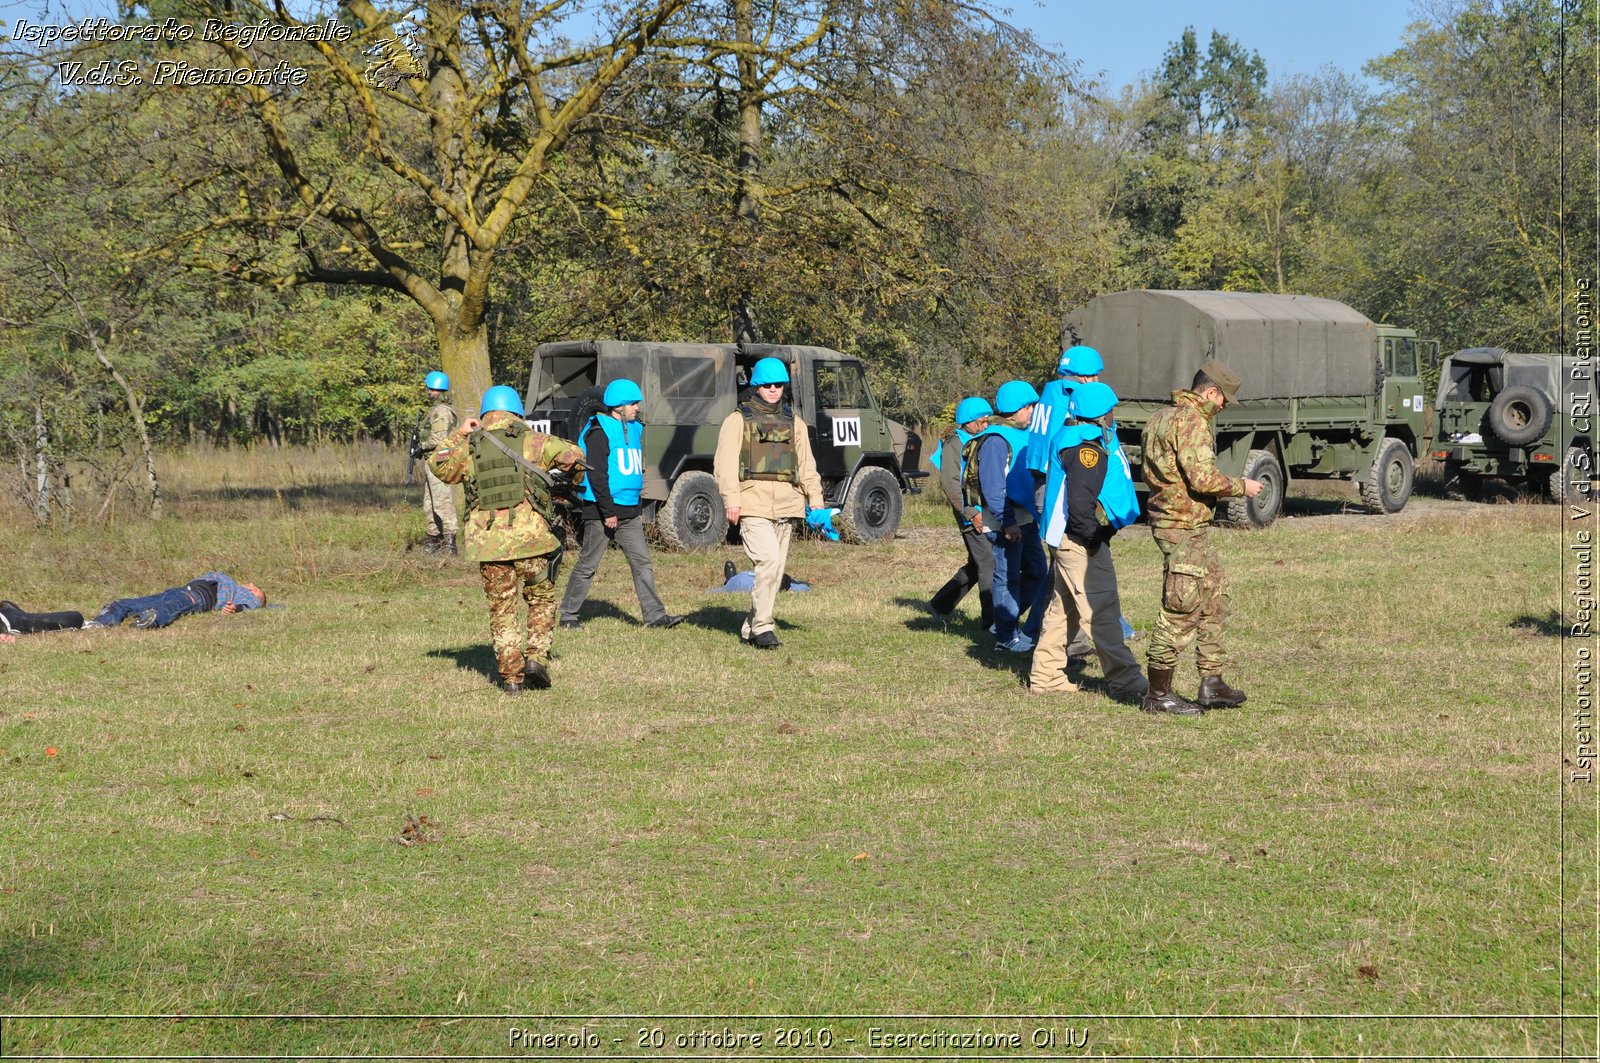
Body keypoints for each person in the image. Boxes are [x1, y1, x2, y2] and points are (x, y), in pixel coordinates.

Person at [430, 385, 585, 693]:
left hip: (488, 543)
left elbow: (439, 465)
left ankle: (512, 680)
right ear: (516, 411)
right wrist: (568, 480)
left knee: (502, 610)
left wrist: (459, 433)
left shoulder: (469, 445)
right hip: (532, 541)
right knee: (540, 599)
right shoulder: (534, 440)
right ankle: (536, 659)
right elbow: (575, 457)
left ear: (485, 413)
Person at [1141, 360, 1263, 715]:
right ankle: (1158, 694)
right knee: (1180, 609)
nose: (1223, 407)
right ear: (1211, 392)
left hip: (1186, 526)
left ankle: (1213, 682)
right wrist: (1242, 486)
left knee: (1212, 599)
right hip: (1181, 526)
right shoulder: (1191, 422)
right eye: (1223, 399)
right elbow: (1202, 479)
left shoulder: (1160, 417)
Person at [1029, 383, 1146, 702]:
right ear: (1100, 413)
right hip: (1078, 539)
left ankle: (1046, 674)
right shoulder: (1087, 448)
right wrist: (1095, 538)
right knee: (1101, 606)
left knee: (1063, 608)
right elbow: (1081, 505)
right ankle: (1126, 679)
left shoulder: (1069, 435)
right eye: (1111, 411)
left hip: (1062, 537)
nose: (1114, 417)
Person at [713, 356, 826, 649]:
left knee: (773, 572)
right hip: (752, 504)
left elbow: (806, 464)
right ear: (756, 386)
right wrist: (731, 500)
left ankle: (752, 628)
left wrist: (817, 501)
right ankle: (764, 627)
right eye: (767, 384)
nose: (773, 389)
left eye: (778, 384)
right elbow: (724, 464)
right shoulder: (738, 420)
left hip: (788, 505)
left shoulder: (794, 422)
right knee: (768, 561)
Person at [559, 378, 683, 631]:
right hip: (602, 511)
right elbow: (597, 475)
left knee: (642, 563)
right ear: (618, 406)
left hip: (628, 511)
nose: (637, 408)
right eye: (633, 403)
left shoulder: (634, 427)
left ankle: (655, 616)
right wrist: (608, 513)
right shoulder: (598, 432)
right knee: (588, 565)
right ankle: (568, 615)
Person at [1024, 345, 1105, 660]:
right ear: (1084, 376)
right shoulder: (1069, 395)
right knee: (1068, 561)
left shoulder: (1048, 393)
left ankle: (1047, 633)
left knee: (1061, 563)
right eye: (1095, 375)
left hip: (1041, 482)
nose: (1097, 381)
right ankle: (1043, 633)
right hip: (1055, 486)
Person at [962, 380, 1046, 652]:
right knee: (1007, 576)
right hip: (1005, 521)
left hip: (1025, 518)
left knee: (1037, 571)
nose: (1033, 411)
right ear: (1014, 409)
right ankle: (1005, 637)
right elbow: (994, 487)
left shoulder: (1022, 433)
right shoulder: (996, 440)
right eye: (1028, 406)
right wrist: (1008, 522)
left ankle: (1005, 622)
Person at [928, 396, 994, 628]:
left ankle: (939, 604)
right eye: (981, 422)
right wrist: (970, 513)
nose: (986, 425)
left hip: (982, 508)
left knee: (977, 565)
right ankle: (992, 622)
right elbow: (950, 483)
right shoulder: (954, 443)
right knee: (988, 562)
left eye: (988, 421)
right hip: (969, 511)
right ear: (967, 422)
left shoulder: (980, 438)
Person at [84, 573, 265, 629]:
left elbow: (249, 606)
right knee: (133, 603)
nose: (251, 585)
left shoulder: (247, 596)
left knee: (173, 607)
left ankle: (151, 621)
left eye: (256, 588)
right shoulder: (234, 584)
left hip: (199, 597)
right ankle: (102, 621)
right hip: (181, 590)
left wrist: (236, 609)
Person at [414, 370, 460, 555]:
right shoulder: (436, 410)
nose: (427, 392)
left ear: (435, 390)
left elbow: (440, 438)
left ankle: (450, 543)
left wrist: (422, 445)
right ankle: (433, 539)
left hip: (439, 459)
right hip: (432, 459)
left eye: (429, 389)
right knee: (430, 502)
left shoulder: (441, 411)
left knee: (442, 501)